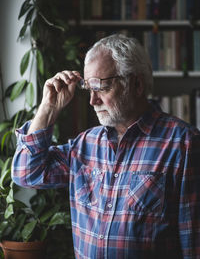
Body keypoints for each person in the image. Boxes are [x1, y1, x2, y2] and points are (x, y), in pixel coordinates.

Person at [12, 34, 200, 259]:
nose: (93, 101)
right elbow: (26, 173)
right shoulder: (85, 144)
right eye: (88, 89)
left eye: (101, 87)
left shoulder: (184, 144)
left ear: (136, 84)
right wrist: (47, 110)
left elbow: (193, 243)